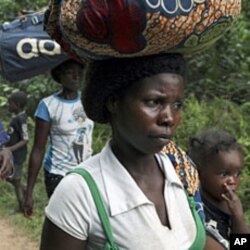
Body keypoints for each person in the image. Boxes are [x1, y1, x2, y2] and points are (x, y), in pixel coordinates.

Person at [40, 53, 207, 250]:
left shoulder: (180, 170)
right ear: (114, 102)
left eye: (177, 105)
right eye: (153, 102)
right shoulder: (79, 192)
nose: (168, 117)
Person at [23, 59, 94, 217]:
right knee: (65, 222)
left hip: (86, 172)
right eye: (70, 72)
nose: (76, 76)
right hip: (58, 174)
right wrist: (29, 193)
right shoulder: (48, 105)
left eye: (79, 72)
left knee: (86, 221)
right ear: (60, 76)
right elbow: (38, 149)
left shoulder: (88, 101)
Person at [188, 129, 250, 249]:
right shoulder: (196, 209)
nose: (232, 180)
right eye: (224, 174)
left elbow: (242, 244)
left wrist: (238, 217)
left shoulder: (230, 204)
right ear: (199, 173)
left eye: (237, 174)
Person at [5, 91, 29, 212]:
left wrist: (10, 149)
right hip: (11, 155)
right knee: (11, 178)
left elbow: (25, 139)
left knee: (16, 179)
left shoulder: (21, 119)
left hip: (17, 156)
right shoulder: (15, 118)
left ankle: (22, 206)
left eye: (10, 103)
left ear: (17, 105)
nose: (7, 105)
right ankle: (24, 189)